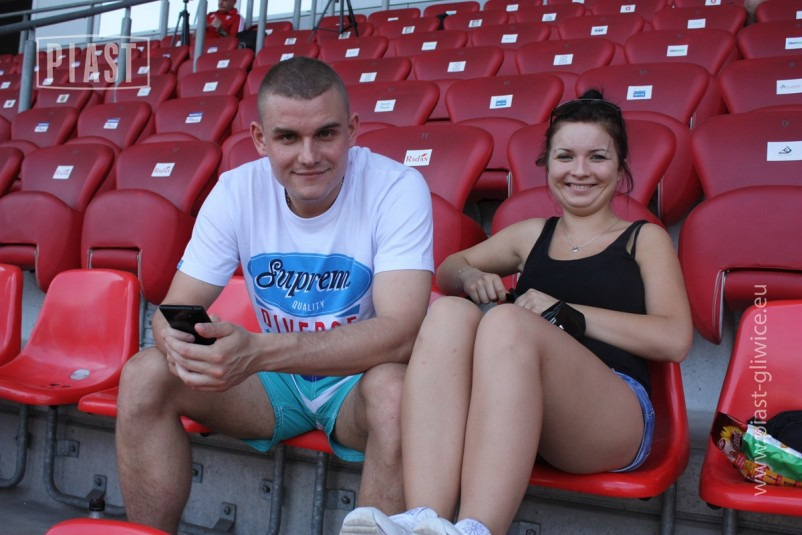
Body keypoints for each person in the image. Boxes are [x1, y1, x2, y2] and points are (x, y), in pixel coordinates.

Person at [340, 89, 693, 535]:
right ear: (547, 165)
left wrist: (567, 313)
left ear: (620, 167)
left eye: (598, 157)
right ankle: (423, 517)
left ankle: (477, 528)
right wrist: (470, 277)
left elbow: (674, 339)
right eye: (565, 157)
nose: (580, 171)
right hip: (520, 413)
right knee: (450, 312)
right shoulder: (530, 235)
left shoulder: (644, 238)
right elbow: (449, 268)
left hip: (611, 419)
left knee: (508, 321)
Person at [115, 57, 434, 534]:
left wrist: (261, 351)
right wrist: (182, 347)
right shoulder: (236, 190)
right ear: (261, 139)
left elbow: (401, 334)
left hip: (357, 384)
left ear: (351, 130)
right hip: (273, 385)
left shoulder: (397, 188)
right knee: (144, 374)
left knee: (397, 393)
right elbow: (174, 310)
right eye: (288, 137)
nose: (308, 156)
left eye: (325, 134)